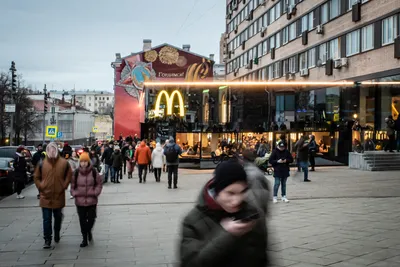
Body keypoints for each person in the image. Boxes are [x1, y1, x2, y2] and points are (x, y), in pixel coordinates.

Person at [179, 160, 271, 267]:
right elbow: (191, 263)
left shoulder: (252, 214)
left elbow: (262, 256)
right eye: (230, 193)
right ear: (217, 191)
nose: (236, 200)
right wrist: (227, 235)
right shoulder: (193, 220)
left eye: (242, 192)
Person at [34, 142, 72, 249]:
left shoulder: (64, 163)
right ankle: (47, 239)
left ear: (56, 150)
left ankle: (57, 232)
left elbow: (69, 175)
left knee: (58, 217)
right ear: (47, 151)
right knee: (46, 219)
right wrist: (41, 186)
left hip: (58, 196)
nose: (52, 151)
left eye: (54, 149)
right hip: (45, 196)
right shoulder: (42, 163)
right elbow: (36, 177)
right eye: (50, 149)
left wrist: (64, 186)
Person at [70, 152, 103, 247]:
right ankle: (84, 238)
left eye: (85, 161)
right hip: (80, 201)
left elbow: (99, 184)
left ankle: (88, 231)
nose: (83, 163)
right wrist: (74, 193)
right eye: (82, 161)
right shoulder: (76, 172)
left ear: (88, 162)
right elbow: (72, 185)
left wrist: (95, 192)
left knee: (92, 218)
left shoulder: (93, 171)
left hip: (91, 200)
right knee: (82, 220)